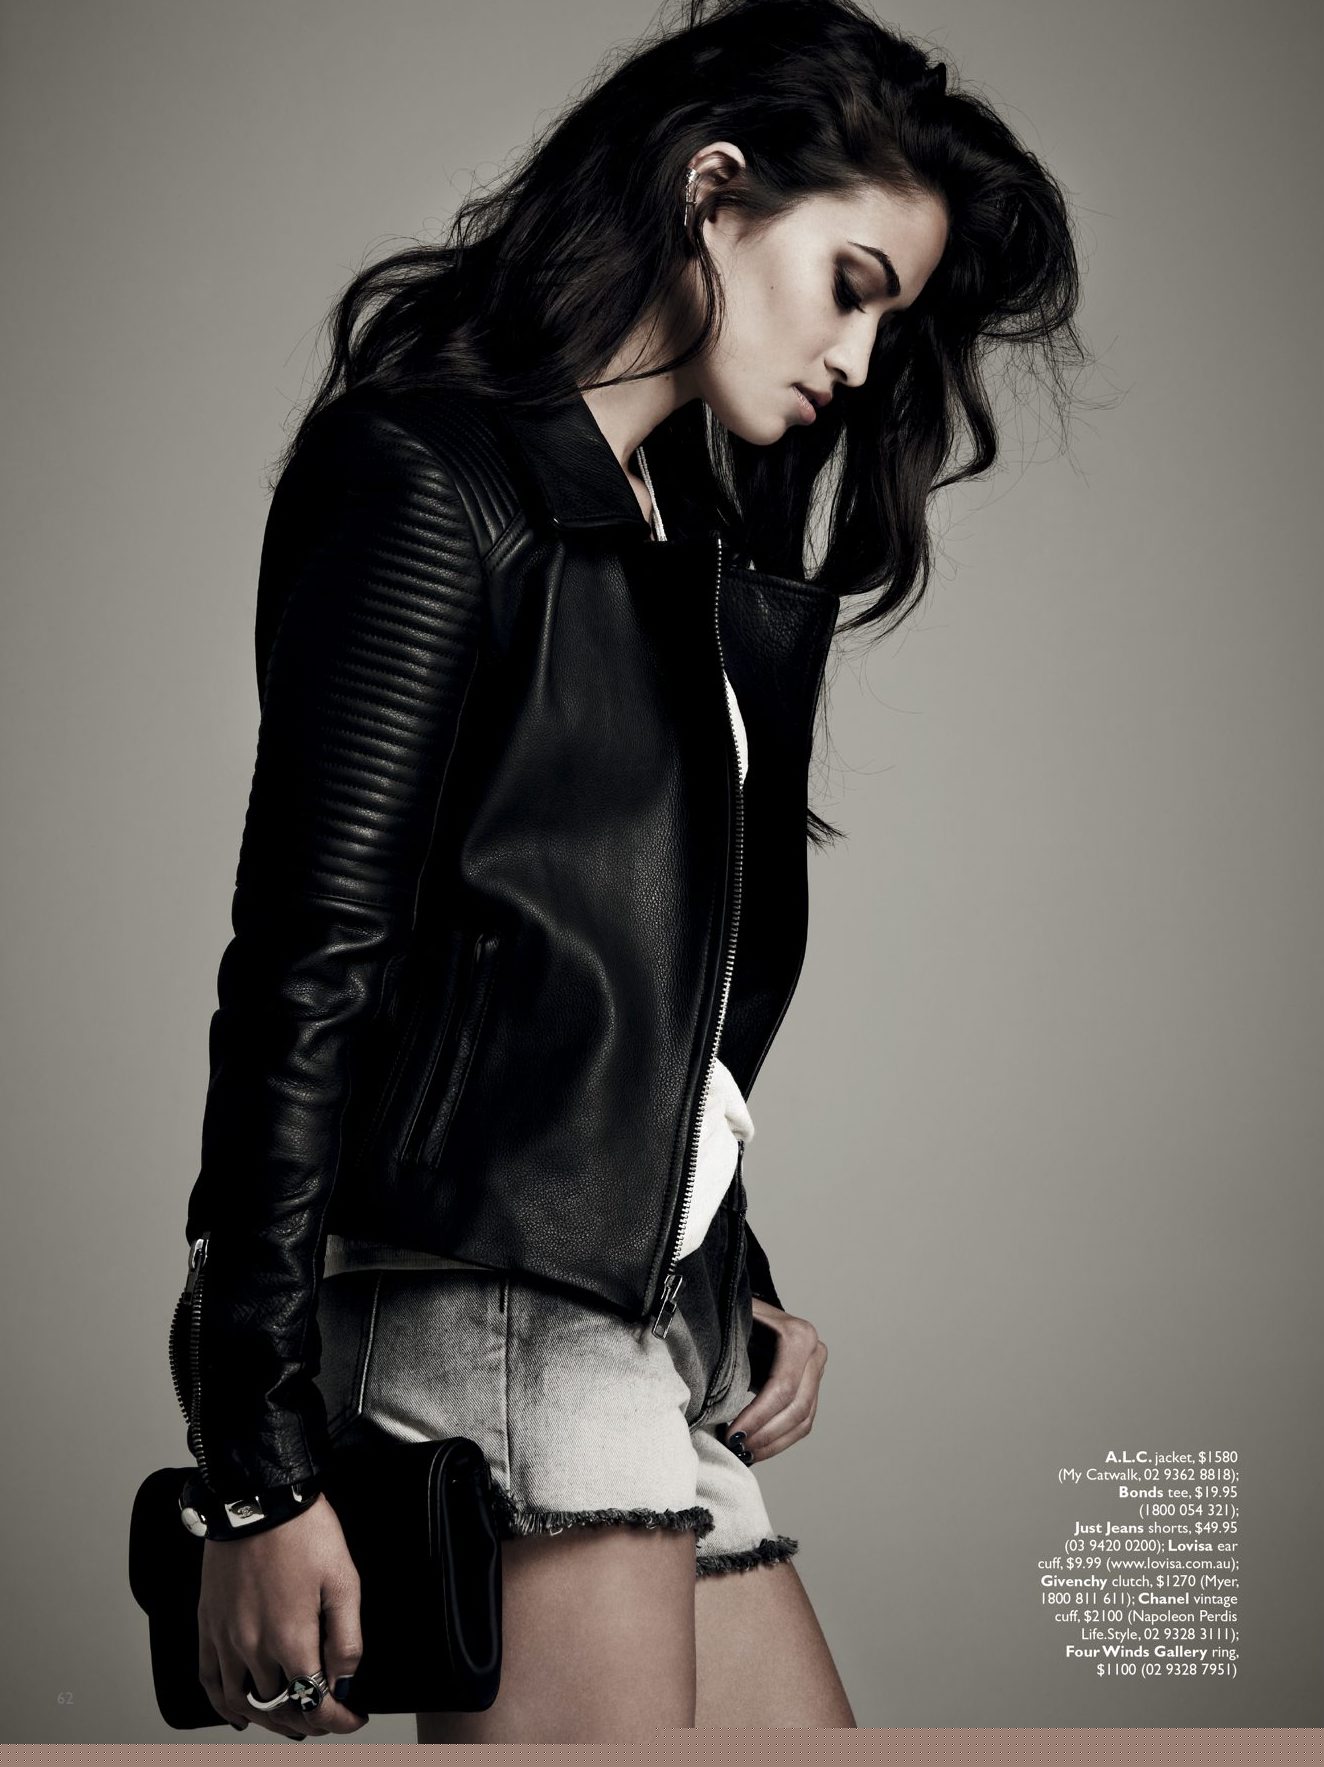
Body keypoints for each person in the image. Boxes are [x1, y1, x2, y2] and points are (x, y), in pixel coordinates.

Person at [175, 0, 1088, 1740]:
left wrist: (732, 1271)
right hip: (491, 1322)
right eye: (851, 286)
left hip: (635, 1328)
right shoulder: (431, 475)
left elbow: (611, 990)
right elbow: (308, 968)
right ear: (713, 191)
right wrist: (254, 1464)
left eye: (892, 318)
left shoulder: (673, 538)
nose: (862, 362)